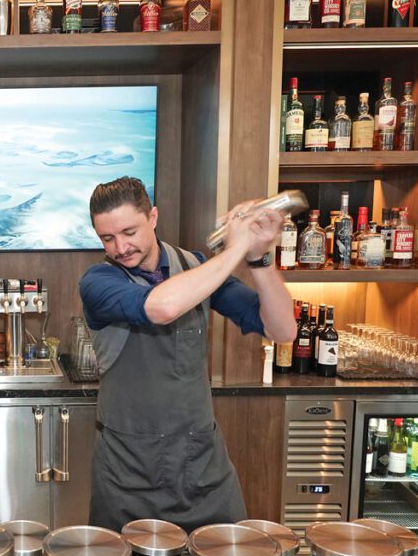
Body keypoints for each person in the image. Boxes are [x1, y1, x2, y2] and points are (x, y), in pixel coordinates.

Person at [78, 177, 297, 533]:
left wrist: (257, 257)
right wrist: (234, 249)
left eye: (129, 231)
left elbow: (283, 330)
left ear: (152, 217)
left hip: (201, 467)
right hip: (128, 470)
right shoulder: (98, 282)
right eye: (107, 238)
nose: (120, 247)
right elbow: (162, 307)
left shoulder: (195, 266)